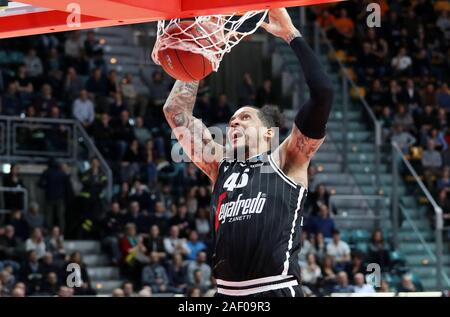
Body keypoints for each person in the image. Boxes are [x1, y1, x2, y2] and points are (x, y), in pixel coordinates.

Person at [162, 8, 333, 297]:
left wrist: (291, 35)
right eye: (232, 120)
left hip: (275, 290)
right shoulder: (220, 164)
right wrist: (203, 50)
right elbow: (175, 111)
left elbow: (323, 92)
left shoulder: (286, 159)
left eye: (245, 118)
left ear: (269, 132)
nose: (234, 121)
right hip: (226, 294)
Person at [38, 158, 72, 233]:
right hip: (60, 198)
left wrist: (47, 186)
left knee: (48, 217)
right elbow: (68, 187)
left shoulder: (46, 172)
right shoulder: (62, 173)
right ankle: (62, 233)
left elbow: (40, 184)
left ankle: (48, 233)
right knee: (60, 217)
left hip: (49, 198)